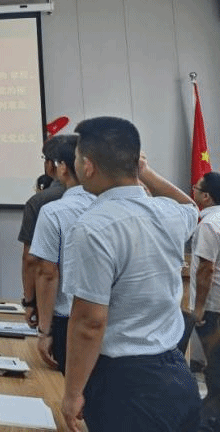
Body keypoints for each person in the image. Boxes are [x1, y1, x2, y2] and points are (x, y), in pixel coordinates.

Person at [61, 117, 199, 432]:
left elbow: (90, 323)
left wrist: (72, 393)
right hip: (176, 374)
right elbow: (190, 206)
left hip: (126, 386)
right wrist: (146, 173)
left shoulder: (92, 227)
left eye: (78, 158)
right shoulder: (168, 213)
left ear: (88, 166)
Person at [29, 134, 93, 372]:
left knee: (64, 387)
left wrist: (44, 332)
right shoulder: (109, 206)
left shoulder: (53, 211)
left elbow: (47, 273)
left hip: (68, 320)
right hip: (108, 319)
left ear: (63, 167)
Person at [20, 136, 66, 323]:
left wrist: (30, 302)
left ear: (52, 165)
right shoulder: (98, 197)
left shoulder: (40, 202)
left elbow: (31, 259)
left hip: (54, 305)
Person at [189, 171, 220, 424]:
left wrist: (198, 309)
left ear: (206, 197)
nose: (193, 190)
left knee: (215, 366)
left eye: (196, 188)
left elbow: (206, 269)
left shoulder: (209, 225)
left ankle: (210, 421)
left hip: (213, 308)